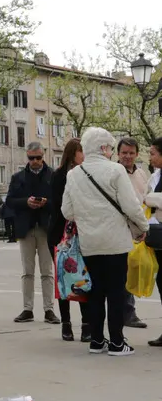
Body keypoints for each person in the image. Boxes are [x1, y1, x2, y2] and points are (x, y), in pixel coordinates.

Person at [61, 127, 148, 356]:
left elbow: (67, 211)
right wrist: (143, 226)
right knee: (116, 292)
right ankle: (118, 342)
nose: (111, 151)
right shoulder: (116, 170)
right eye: (110, 147)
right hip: (115, 242)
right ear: (103, 148)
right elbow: (131, 206)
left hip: (89, 243)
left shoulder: (74, 174)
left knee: (95, 291)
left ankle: (97, 340)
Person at [5, 142, 60, 325]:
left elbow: (60, 202)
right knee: (27, 271)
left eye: (38, 157)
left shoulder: (53, 176)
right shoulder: (18, 177)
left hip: (46, 228)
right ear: (26, 157)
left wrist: (46, 203)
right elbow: (10, 201)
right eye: (31, 158)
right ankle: (27, 309)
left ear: (43, 156)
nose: (35, 161)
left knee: (47, 271)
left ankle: (49, 309)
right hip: (26, 228)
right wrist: (26, 202)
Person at [47, 138, 90, 342]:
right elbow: (57, 206)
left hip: (83, 234)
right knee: (63, 278)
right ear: (73, 153)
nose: (85, 155)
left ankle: (87, 323)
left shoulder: (87, 173)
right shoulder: (59, 176)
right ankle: (66, 323)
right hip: (61, 234)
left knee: (82, 277)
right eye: (82, 151)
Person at [115, 138, 150, 329]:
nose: (127, 156)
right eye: (124, 153)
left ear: (136, 154)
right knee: (122, 273)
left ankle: (126, 311)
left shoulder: (142, 174)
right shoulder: (114, 173)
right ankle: (128, 313)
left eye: (131, 153)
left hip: (139, 230)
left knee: (134, 271)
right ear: (117, 154)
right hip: (119, 230)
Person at [140, 138, 162, 347]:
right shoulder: (155, 176)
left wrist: (152, 199)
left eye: (153, 152)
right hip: (157, 233)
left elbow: (151, 199)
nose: (150, 157)